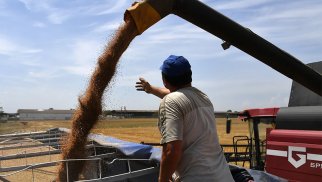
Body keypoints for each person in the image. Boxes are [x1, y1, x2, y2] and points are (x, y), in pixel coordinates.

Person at [136, 55, 234, 182]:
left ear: (164, 80)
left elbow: (172, 151)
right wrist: (150, 89)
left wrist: (163, 180)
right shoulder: (203, 97)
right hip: (223, 176)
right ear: (190, 75)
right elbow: (177, 95)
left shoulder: (171, 102)